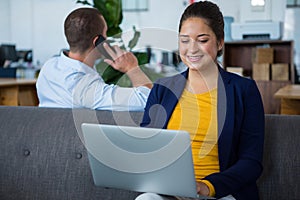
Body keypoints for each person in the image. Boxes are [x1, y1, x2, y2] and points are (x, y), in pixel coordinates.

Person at [140, 1, 264, 200]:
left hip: (219, 193)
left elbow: (251, 162)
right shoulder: (163, 89)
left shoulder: (244, 90)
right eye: (185, 40)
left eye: (202, 40)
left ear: (220, 42)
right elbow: (146, 149)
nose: (192, 49)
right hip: (170, 192)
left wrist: (207, 187)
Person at [36, 7, 152, 111]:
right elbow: (147, 100)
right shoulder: (87, 89)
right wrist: (132, 68)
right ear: (98, 42)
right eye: (105, 34)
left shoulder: (49, 67)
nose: (107, 38)